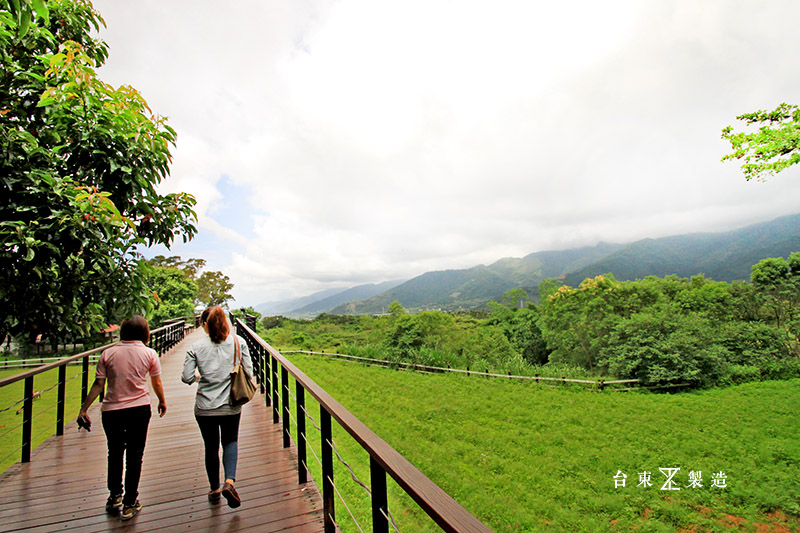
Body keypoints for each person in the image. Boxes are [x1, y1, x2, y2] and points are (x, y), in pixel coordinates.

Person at [78, 315, 167, 521]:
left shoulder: (108, 353)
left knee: (115, 452)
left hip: (112, 410)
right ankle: (130, 502)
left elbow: (98, 385)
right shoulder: (149, 353)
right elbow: (157, 382)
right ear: (145, 332)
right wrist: (162, 401)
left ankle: (115, 495)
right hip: (139, 409)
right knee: (135, 455)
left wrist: (84, 409)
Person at [182, 307, 253, 508]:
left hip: (204, 407)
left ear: (205, 325)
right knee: (230, 441)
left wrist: (199, 377)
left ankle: (214, 489)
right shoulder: (239, 343)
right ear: (226, 323)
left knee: (211, 446)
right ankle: (229, 481)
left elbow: (186, 377)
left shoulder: (195, 347)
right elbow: (248, 371)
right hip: (231, 405)